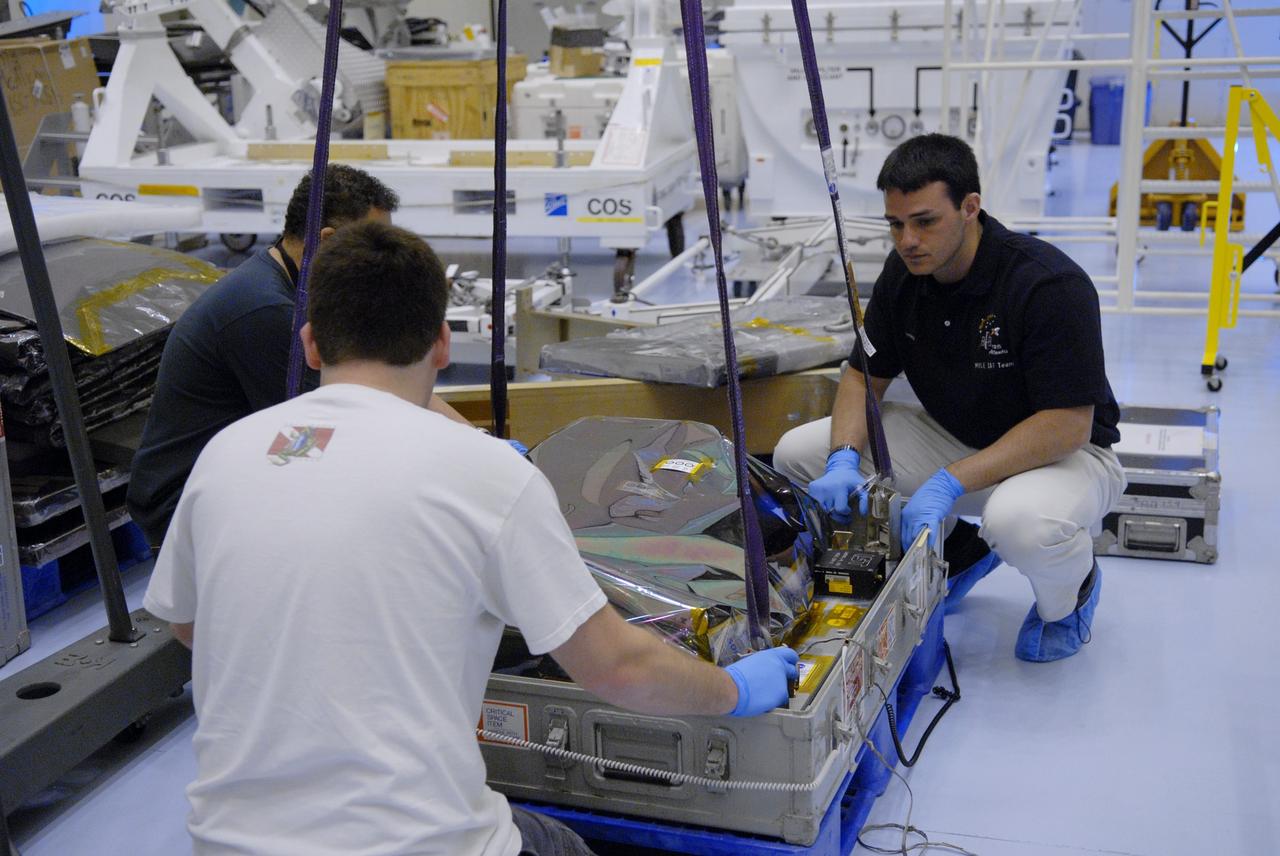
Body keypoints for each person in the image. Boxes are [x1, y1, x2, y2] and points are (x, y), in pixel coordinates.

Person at [143, 221, 798, 856]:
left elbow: (189, 627)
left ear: (311, 345)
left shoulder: (225, 455)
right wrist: (734, 692)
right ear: (442, 344)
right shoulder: (488, 475)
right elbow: (620, 669)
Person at [773, 134, 1125, 663]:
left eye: (924, 221)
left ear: (970, 208)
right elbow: (861, 378)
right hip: (955, 439)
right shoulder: (904, 275)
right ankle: (962, 549)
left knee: (1020, 524)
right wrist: (844, 458)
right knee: (797, 453)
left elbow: (1067, 424)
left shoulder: (1047, 284)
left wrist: (950, 481)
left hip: (1063, 456)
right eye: (896, 224)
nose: (907, 240)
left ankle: (1071, 598)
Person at [127, 164, 469, 549]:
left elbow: (387, 379)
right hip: (187, 509)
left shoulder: (290, 281)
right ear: (326, 239)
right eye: (371, 247)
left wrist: (477, 440)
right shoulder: (266, 312)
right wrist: (469, 458)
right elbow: (345, 424)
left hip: (243, 478)